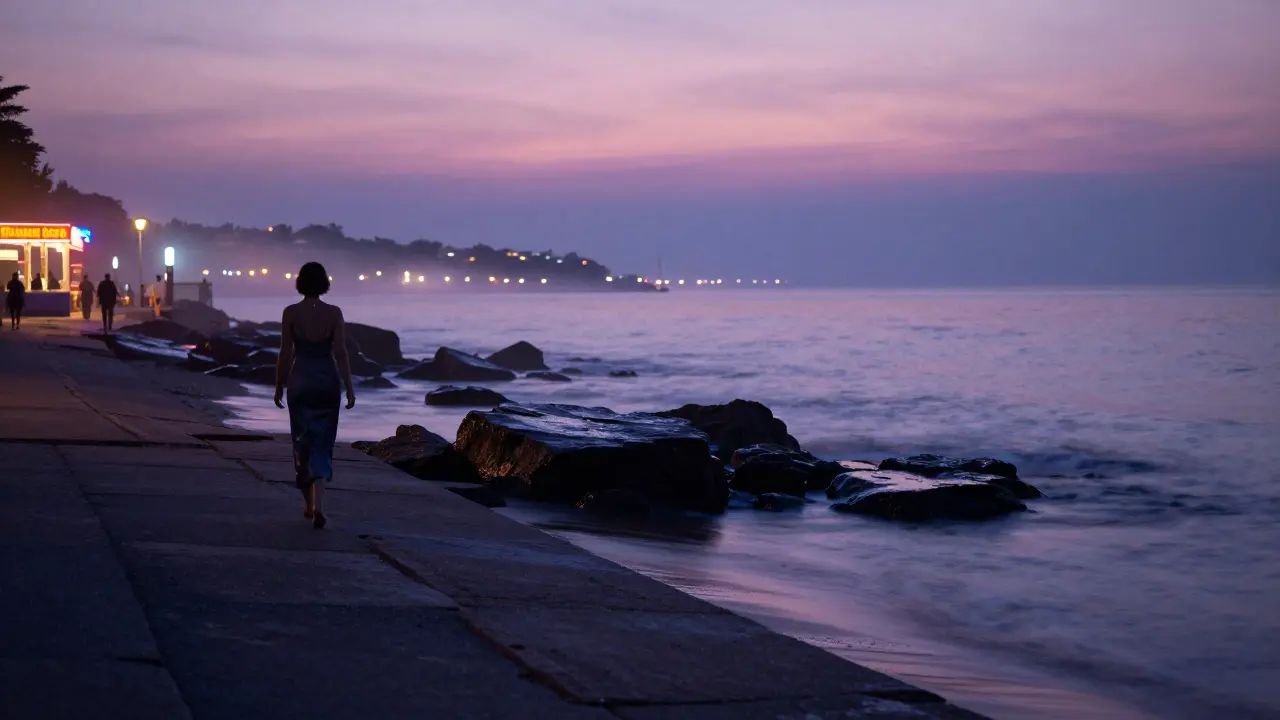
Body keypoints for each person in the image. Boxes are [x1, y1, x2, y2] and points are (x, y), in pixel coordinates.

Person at [273, 262, 355, 529]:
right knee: (323, 442)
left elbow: (286, 351)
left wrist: (279, 384)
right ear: (324, 283)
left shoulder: (291, 312)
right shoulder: (334, 313)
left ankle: (308, 506)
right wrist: (349, 385)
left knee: (302, 441)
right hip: (326, 381)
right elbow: (341, 352)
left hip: (300, 381)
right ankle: (319, 506)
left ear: (300, 282)